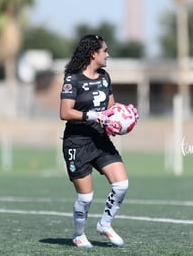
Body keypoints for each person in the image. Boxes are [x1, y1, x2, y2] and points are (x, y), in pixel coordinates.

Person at [60, 34, 138, 248]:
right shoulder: (73, 78)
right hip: (77, 142)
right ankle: (78, 235)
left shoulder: (104, 76)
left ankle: (105, 224)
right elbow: (65, 112)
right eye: (105, 51)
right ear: (93, 53)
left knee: (121, 184)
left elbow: (110, 108)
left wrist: (123, 117)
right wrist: (93, 116)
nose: (108, 54)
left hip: (100, 139)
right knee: (85, 198)